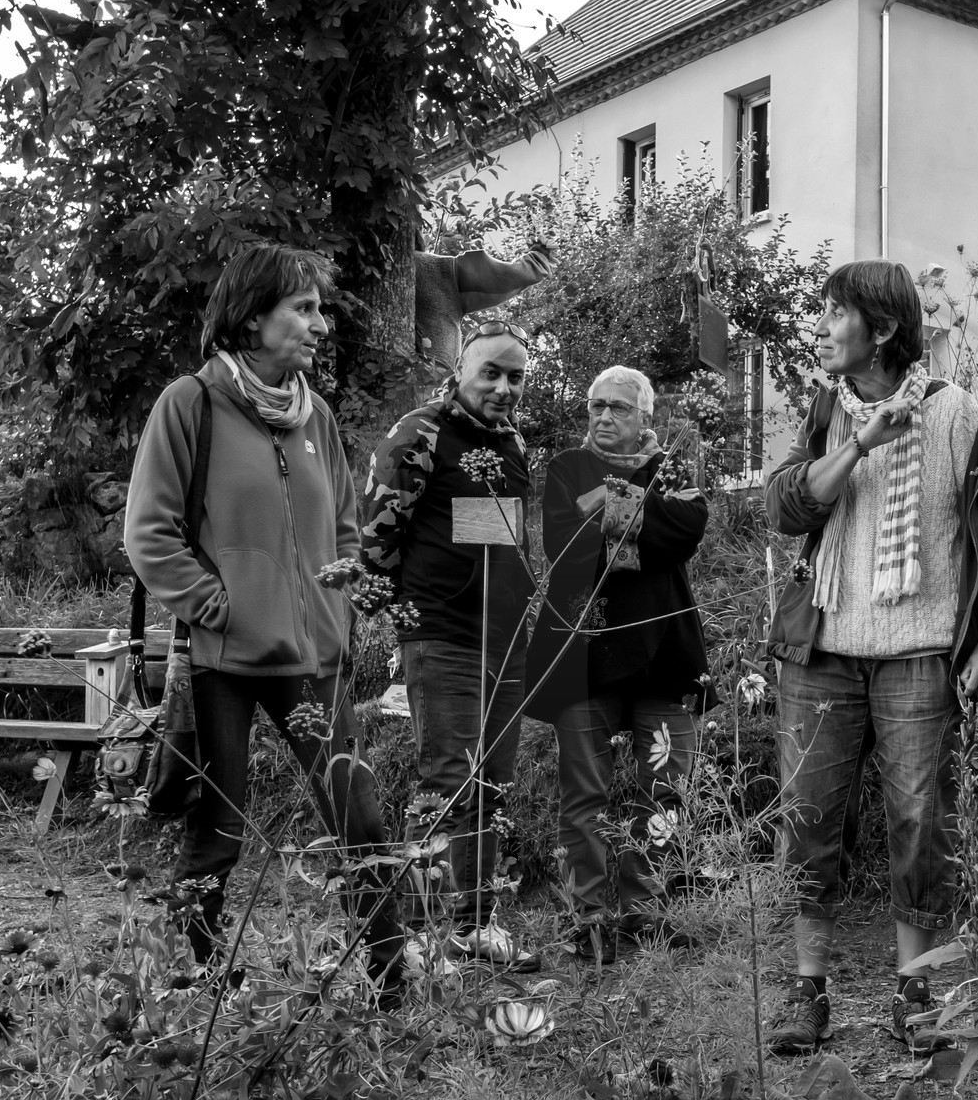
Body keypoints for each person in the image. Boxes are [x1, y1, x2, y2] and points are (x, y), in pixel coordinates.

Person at [764, 260, 978, 1056]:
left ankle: (914, 994)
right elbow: (784, 506)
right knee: (808, 816)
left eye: (834, 313)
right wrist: (857, 449)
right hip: (821, 652)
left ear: (880, 329)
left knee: (920, 822)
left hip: (918, 654)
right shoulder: (826, 411)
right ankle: (808, 989)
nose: (823, 328)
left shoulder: (957, 415)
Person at [125, 242, 405, 994]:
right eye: (303, 309)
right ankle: (213, 984)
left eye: (320, 309)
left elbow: (345, 528)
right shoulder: (191, 404)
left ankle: (391, 981)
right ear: (253, 319)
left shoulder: (318, 419)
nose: (320, 324)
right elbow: (148, 531)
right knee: (218, 830)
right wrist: (217, 607)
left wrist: (338, 609)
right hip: (225, 661)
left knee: (362, 822)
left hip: (316, 658)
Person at [523, 366, 714, 960]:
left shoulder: (674, 467)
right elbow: (567, 544)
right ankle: (589, 919)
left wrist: (609, 507)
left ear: (644, 420)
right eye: (597, 406)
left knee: (666, 792)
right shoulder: (567, 468)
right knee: (586, 795)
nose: (604, 417)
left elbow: (686, 530)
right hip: (584, 653)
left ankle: (646, 910)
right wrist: (635, 516)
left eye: (619, 409)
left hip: (662, 653)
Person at [360, 326, 536, 962]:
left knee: (493, 785)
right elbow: (379, 538)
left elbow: (498, 537)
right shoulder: (422, 432)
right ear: (460, 370)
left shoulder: (511, 442)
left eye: (515, 376)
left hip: (506, 637)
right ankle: (422, 932)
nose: (503, 387)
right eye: (491, 372)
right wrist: (402, 622)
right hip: (442, 635)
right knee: (449, 781)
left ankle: (475, 924)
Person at [414, 243, 552, 379]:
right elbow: (504, 277)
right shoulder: (429, 266)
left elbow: (500, 277)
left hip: (427, 373)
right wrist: (537, 259)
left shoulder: (424, 266)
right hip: (434, 374)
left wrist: (536, 261)